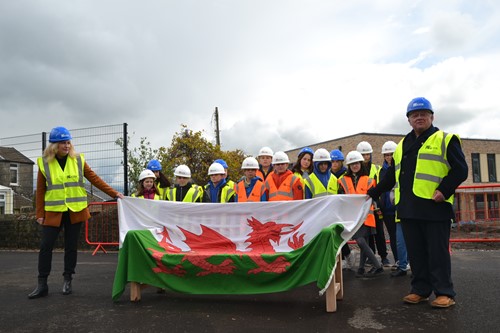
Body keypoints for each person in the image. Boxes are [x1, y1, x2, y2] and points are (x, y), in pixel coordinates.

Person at [367, 97, 468, 308]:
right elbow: (390, 177)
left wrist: (443, 190)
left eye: (423, 114)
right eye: (415, 115)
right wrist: (372, 192)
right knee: (417, 253)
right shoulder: (402, 145)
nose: (419, 117)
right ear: (409, 120)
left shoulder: (445, 139)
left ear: (432, 117)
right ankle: (420, 290)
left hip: (435, 207)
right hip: (408, 208)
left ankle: (444, 292)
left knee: (437, 252)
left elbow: (461, 170)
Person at [29, 126, 124, 299]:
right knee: (45, 247)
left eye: (68, 142)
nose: (66, 146)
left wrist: (114, 193)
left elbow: (94, 178)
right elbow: (41, 190)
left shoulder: (78, 160)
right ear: (54, 146)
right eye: (62, 143)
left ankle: (67, 280)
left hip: (75, 211)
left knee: (71, 247)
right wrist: (39, 214)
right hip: (54, 211)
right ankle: (42, 284)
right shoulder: (44, 163)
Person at [338, 151, 383, 278]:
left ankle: (365, 268)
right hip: (353, 217)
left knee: (364, 242)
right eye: (352, 164)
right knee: (361, 241)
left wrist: (378, 209)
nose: (355, 166)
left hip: (367, 216)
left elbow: (375, 198)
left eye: (357, 163)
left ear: (360, 164)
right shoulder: (342, 181)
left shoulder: (369, 180)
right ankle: (374, 266)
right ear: (349, 166)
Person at [357, 140, 389, 266]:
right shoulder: (357, 171)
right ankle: (371, 257)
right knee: (366, 234)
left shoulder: (377, 169)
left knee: (379, 232)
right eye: (363, 155)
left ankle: (384, 257)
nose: (365, 157)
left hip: (376, 206)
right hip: (364, 207)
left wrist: (379, 204)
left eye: (367, 154)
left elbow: (381, 186)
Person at [377, 141, 402, 274]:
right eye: (386, 155)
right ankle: (398, 260)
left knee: (402, 235)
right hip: (386, 208)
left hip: (399, 207)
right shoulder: (381, 171)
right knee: (393, 235)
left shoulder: (400, 168)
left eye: (391, 154)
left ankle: (405, 260)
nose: (388, 157)